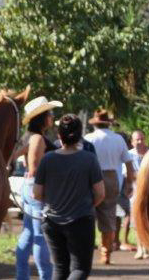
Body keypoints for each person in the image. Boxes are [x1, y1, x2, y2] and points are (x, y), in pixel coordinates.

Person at [34, 114, 105, 280]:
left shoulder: (47, 159)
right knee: (80, 269)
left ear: (59, 135)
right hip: (81, 220)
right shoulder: (89, 159)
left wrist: (54, 199)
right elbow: (100, 193)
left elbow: (36, 193)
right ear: (80, 135)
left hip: (51, 222)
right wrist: (87, 205)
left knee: (60, 269)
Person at [15, 96, 62, 280]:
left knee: (28, 233)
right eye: (50, 114)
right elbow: (35, 169)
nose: (52, 117)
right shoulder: (38, 139)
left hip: (30, 189)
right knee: (40, 235)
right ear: (42, 117)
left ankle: (22, 276)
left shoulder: (30, 136)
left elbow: (17, 158)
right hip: (37, 190)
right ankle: (45, 277)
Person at [83, 109, 135, 265]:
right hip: (112, 178)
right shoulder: (118, 139)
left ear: (95, 123)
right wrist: (129, 184)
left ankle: (86, 252)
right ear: (108, 123)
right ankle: (106, 253)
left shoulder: (88, 138)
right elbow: (129, 163)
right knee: (108, 215)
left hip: (91, 176)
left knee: (88, 215)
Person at [128, 130, 149, 259]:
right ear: (132, 142)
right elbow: (128, 174)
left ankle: (146, 248)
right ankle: (140, 248)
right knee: (137, 222)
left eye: (141, 139)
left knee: (147, 221)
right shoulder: (129, 155)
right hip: (135, 192)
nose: (139, 142)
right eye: (137, 139)